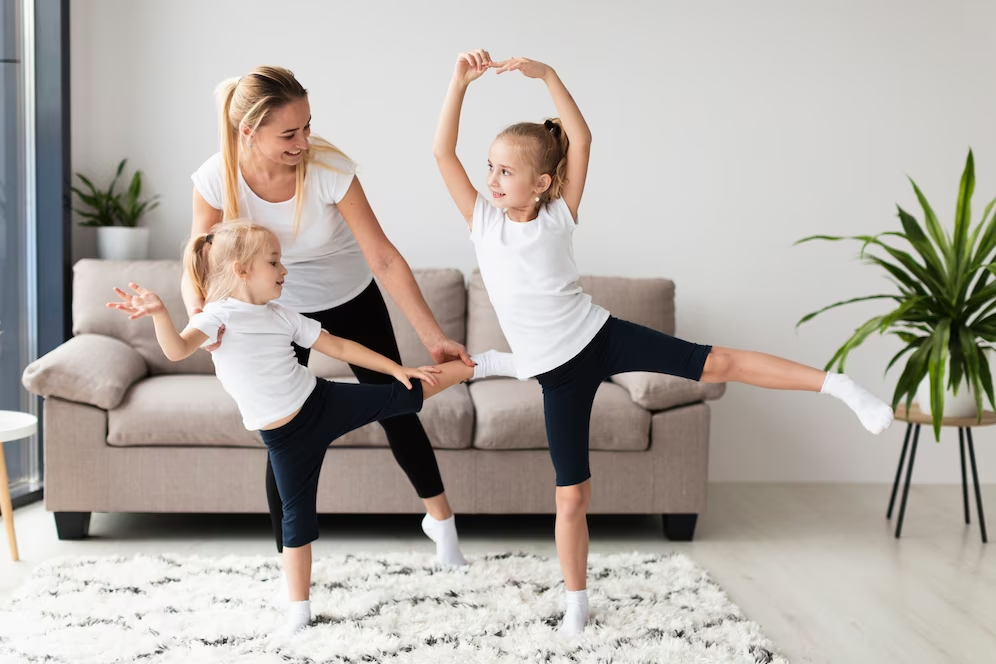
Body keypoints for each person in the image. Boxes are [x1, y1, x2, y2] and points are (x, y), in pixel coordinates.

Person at [432, 49, 894, 636]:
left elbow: (581, 135)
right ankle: (577, 603)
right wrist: (459, 84)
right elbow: (442, 153)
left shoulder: (560, 215)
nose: (491, 179)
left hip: (601, 337)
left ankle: (841, 386)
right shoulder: (482, 221)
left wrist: (547, 75)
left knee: (718, 361)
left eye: (504, 170)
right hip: (556, 373)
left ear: (543, 182)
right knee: (572, 496)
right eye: (490, 167)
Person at [110, 221, 485, 635]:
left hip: (321, 403)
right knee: (298, 522)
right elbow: (177, 349)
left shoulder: (282, 315)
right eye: (274, 262)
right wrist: (161, 313)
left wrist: (396, 368)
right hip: (285, 438)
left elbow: (339, 346)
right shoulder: (217, 318)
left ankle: (479, 366)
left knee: (407, 396)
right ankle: (299, 611)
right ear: (241, 270)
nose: (285, 271)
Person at [184, 66, 473, 567]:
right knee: (283, 434)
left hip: (349, 296)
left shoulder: (328, 168)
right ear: (248, 131)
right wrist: (200, 318)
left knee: (401, 404)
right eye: (289, 133)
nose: (305, 140)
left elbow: (382, 256)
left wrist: (434, 336)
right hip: (275, 308)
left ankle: (442, 525)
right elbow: (195, 258)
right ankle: (288, 562)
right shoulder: (218, 175)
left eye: (308, 125)